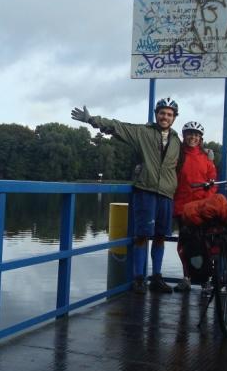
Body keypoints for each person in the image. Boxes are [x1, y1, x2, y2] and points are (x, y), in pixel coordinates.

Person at [71, 98, 181, 294]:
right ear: (157, 114)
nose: (165, 117)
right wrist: (91, 120)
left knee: (160, 236)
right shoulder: (142, 132)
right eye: (162, 113)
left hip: (166, 193)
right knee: (141, 235)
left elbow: (185, 160)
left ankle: (156, 277)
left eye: (169, 114)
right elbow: (116, 127)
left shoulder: (176, 140)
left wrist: (205, 152)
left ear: (174, 118)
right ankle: (139, 278)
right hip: (146, 190)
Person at [172, 121, 218, 292]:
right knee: (185, 245)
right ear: (184, 136)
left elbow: (213, 182)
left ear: (200, 138)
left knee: (205, 244)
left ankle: (206, 280)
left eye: (196, 135)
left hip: (201, 208)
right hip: (182, 207)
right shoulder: (177, 155)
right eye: (190, 134)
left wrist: (207, 199)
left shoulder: (207, 158)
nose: (193, 137)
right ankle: (187, 278)